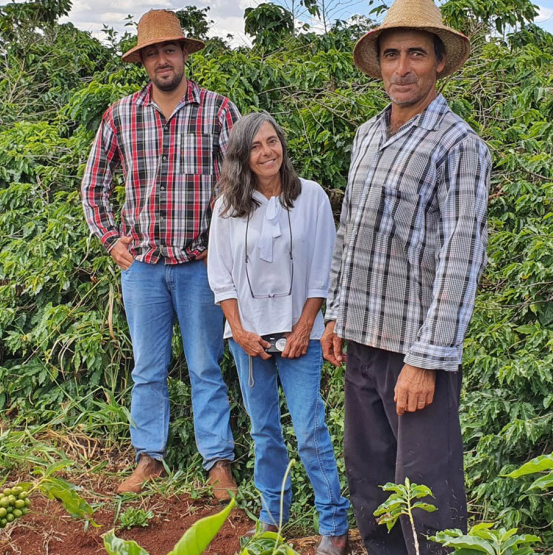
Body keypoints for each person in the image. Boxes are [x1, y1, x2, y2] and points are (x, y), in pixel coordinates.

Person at [321, 0, 492, 552]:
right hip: (362, 345)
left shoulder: (459, 145)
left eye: (416, 54)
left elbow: (460, 259)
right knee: (371, 487)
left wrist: (426, 361)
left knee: (426, 498)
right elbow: (351, 233)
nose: (402, 68)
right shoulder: (367, 135)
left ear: (439, 63)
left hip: (414, 355)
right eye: (391, 55)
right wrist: (336, 314)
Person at [80, 9, 240, 499]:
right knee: (147, 368)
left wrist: (227, 245)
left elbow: (243, 182)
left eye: (169, 49)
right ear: (143, 62)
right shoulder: (120, 115)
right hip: (144, 268)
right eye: (152, 53)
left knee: (205, 367)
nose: (162, 59)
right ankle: (149, 457)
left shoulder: (218, 110)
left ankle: (218, 463)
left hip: (200, 267)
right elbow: (93, 186)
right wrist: (112, 240)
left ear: (184, 54)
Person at [207, 112, 350, 555]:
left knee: (309, 427)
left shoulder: (310, 197)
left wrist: (307, 325)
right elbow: (221, 275)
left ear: (282, 145)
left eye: (272, 142)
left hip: (299, 337)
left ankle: (334, 523)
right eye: (255, 146)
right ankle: (273, 517)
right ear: (242, 156)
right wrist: (239, 330)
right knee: (264, 429)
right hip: (248, 339)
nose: (267, 152)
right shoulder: (228, 205)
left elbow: (324, 268)